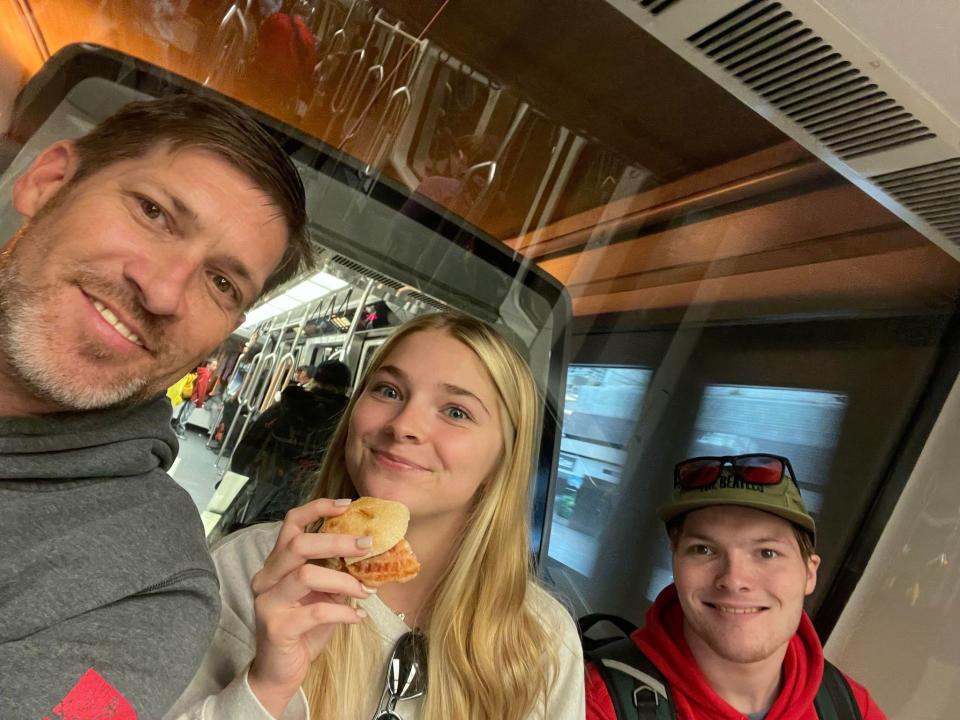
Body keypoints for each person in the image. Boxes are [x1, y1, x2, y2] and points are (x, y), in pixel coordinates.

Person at [0, 93, 312, 718]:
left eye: (221, 282)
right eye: (155, 213)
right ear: (48, 180)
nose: (164, 290)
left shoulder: (149, 592)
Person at [165, 312, 585, 719]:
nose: (404, 425)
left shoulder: (543, 639)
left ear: (503, 458)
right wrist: (267, 687)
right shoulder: (251, 567)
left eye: (456, 411)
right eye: (388, 391)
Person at [585, 454, 886, 720]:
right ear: (675, 564)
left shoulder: (849, 707)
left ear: (809, 574)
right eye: (703, 549)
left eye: (767, 552)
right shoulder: (593, 703)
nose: (734, 579)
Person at [226, 359, 353, 529]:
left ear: (315, 379)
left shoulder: (288, 406)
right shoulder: (348, 422)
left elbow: (252, 440)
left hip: (270, 481)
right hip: (315, 494)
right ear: (346, 388)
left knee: (254, 530)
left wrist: (239, 469)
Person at [175, 358, 218, 437]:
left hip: (192, 394)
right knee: (187, 414)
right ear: (208, 365)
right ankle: (179, 431)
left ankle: (176, 427)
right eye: (214, 365)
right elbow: (201, 388)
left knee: (184, 411)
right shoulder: (206, 374)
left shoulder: (201, 371)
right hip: (196, 396)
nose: (215, 367)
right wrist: (200, 401)